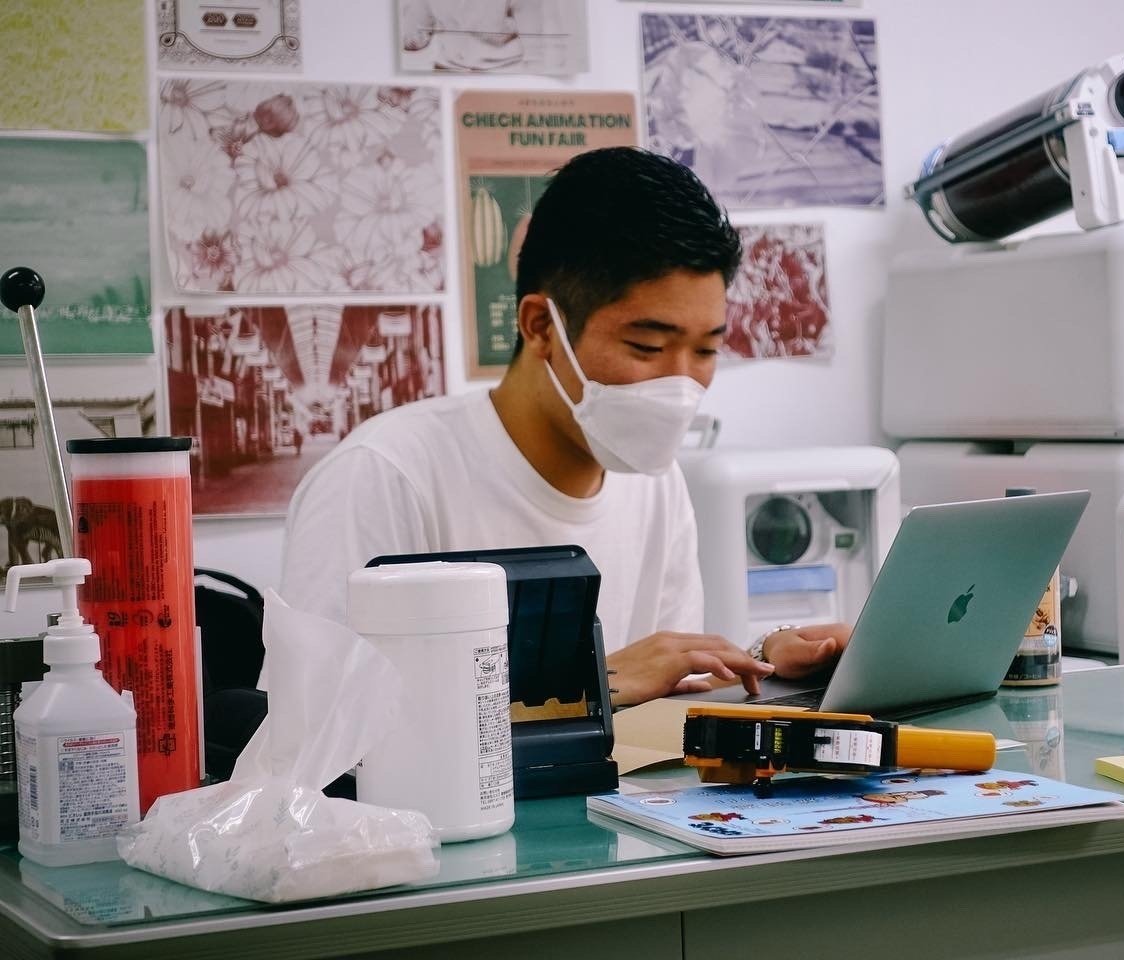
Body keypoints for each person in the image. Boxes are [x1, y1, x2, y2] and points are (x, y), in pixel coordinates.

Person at [280, 147, 849, 706]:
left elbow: (659, 699)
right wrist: (587, 683)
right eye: (646, 346)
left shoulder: (656, 481)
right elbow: (322, 734)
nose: (681, 388)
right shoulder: (385, 477)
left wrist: (765, 665)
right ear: (539, 327)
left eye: (705, 350)